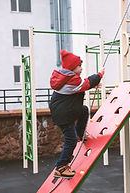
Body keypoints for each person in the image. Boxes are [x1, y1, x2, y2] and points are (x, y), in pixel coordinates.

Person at [49, 50, 104, 178]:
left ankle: (80, 134)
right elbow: (85, 83)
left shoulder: (67, 78)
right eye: (79, 66)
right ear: (72, 68)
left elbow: (79, 87)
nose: (81, 68)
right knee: (70, 140)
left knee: (84, 109)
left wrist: (91, 85)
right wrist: (99, 75)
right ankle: (61, 167)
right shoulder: (70, 80)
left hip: (66, 110)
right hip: (64, 115)